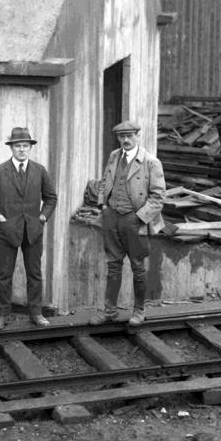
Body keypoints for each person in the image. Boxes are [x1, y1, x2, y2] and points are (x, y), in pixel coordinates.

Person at [0, 128, 58, 330]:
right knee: (4, 274)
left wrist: (42, 217)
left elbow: (51, 198)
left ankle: (36, 313)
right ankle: (2, 315)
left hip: (33, 230)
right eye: (17, 146)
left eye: (25, 146)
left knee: (34, 273)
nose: (21, 150)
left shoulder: (39, 171)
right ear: (11, 148)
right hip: (7, 231)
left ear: (30, 148)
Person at [92, 120, 166, 327]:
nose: (125, 140)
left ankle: (139, 311)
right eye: (121, 136)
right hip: (112, 218)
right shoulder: (114, 156)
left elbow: (159, 196)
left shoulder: (151, 162)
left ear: (138, 136)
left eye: (129, 136)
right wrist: (103, 205)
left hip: (136, 220)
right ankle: (110, 311)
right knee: (113, 265)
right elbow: (105, 182)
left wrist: (140, 217)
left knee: (138, 267)